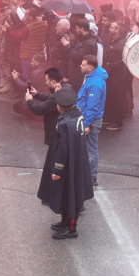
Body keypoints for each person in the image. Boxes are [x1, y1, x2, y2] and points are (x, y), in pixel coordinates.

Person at [46, 88, 94, 239]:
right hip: (76, 162)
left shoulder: (64, 124)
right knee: (67, 194)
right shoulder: (77, 114)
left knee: (71, 196)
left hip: (67, 166)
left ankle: (71, 227)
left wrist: (57, 170)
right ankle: (64, 221)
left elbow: (62, 149)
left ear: (60, 107)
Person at [76, 55, 107, 186]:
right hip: (88, 119)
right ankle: (87, 174)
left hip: (90, 121)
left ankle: (91, 177)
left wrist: (87, 124)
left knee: (91, 149)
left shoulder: (95, 83)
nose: (80, 66)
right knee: (88, 148)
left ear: (90, 67)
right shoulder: (91, 78)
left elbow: (92, 106)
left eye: (83, 65)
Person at [102, 22, 131, 130]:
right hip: (110, 73)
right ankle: (110, 117)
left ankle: (118, 122)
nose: (109, 29)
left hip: (117, 74)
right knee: (110, 96)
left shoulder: (123, 42)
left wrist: (111, 65)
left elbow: (124, 59)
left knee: (117, 97)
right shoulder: (113, 39)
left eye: (112, 27)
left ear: (118, 30)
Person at [61, 18, 98, 92]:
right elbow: (75, 51)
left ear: (82, 29)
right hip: (76, 77)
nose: (75, 30)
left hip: (80, 78)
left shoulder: (90, 43)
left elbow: (77, 56)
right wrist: (69, 43)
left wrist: (68, 46)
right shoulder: (82, 40)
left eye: (77, 28)